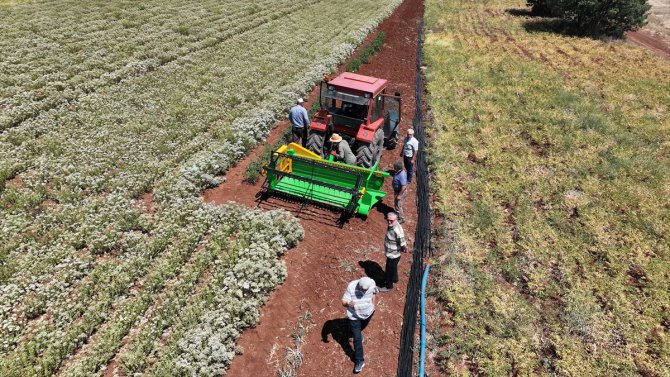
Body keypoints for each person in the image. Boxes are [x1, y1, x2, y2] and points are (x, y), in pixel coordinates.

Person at [342, 276, 377, 373]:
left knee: (361, 328)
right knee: (357, 338)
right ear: (358, 285)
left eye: (366, 290)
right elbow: (343, 302)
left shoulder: (372, 283)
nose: (364, 292)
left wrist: (373, 306)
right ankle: (359, 361)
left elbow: (374, 293)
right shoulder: (351, 287)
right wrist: (348, 304)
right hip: (354, 316)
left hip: (367, 314)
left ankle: (357, 332)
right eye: (362, 289)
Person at [379, 212, 407, 293]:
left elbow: (402, 241)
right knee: (393, 267)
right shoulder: (392, 225)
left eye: (391, 220)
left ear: (396, 219)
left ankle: (388, 286)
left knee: (389, 270)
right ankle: (395, 278)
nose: (389, 222)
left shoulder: (397, 230)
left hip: (393, 254)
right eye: (388, 220)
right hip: (392, 253)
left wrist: (404, 248)